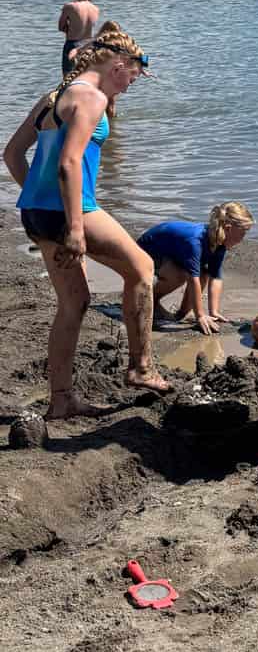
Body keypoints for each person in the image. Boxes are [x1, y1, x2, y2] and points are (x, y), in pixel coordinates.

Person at [3, 26, 166, 416]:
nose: (130, 86)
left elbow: (12, 154)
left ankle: (61, 402)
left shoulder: (53, 96)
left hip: (37, 213)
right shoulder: (90, 97)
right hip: (71, 211)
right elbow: (69, 162)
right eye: (133, 77)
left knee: (74, 303)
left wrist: (37, 199)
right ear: (118, 65)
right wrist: (75, 227)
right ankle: (142, 367)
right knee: (143, 268)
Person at [138, 202, 254, 335]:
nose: (243, 238)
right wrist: (200, 315)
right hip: (147, 251)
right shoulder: (195, 241)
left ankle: (181, 314)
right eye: (243, 233)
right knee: (180, 276)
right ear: (227, 229)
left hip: (173, 253)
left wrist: (213, 311)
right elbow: (193, 280)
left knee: (204, 274)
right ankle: (150, 298)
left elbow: (215, 277)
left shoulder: (220, 243)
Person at [57, 0, 99, 76]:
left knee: (68, 78)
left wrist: (69, 28)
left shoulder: (69, 6)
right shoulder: (95, 8)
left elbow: (61, 27)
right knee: (86, 76)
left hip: (73, 45)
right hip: (89, 45)